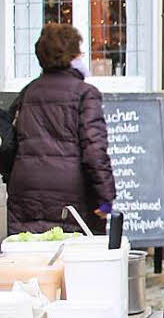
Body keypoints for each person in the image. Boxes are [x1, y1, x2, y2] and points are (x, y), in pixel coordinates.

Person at [6, 23, 114, 235]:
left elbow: (10, 145)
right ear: (73, 56)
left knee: (29, 261)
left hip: (25, 193)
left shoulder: (27, 93)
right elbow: (94, 151)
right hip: (73, 195)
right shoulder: (85, 94)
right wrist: (105, 198)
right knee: (75, 261)